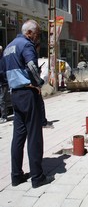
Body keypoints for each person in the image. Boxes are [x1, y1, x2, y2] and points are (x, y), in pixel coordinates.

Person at [3, 20, 54, 188]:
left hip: (15, 94)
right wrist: (39, 82)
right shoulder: (26, 45)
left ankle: (16, 176)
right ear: (29, 33)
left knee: (18, 136)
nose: (37, 37)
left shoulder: (9, 47)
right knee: (34, 135)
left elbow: (2, 73)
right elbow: (32, 65)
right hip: (28, 92)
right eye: (37, 34)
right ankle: (37, 177)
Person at [0, 45, 9, 124]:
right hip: (2, 82)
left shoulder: (3, 60)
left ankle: (4, 116)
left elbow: (3, 71)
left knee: (2, 100)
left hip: (3, 82)